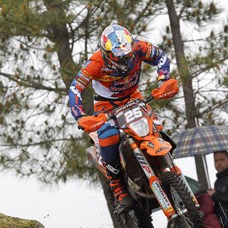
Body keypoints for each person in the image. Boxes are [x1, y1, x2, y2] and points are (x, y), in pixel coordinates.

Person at [68, 24, 173, 209]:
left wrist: (163, 79)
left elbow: (161, 57)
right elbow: (75, 88)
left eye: (127, 54)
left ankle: (165, 166)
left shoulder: (140, 47)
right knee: (109, 135)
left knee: (155, 125)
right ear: (107, 53)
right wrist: (80, 116)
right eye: (119, 56)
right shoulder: (95, 62)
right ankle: (117, 185)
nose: (124, 59)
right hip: (106, 106)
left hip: (134, 98)